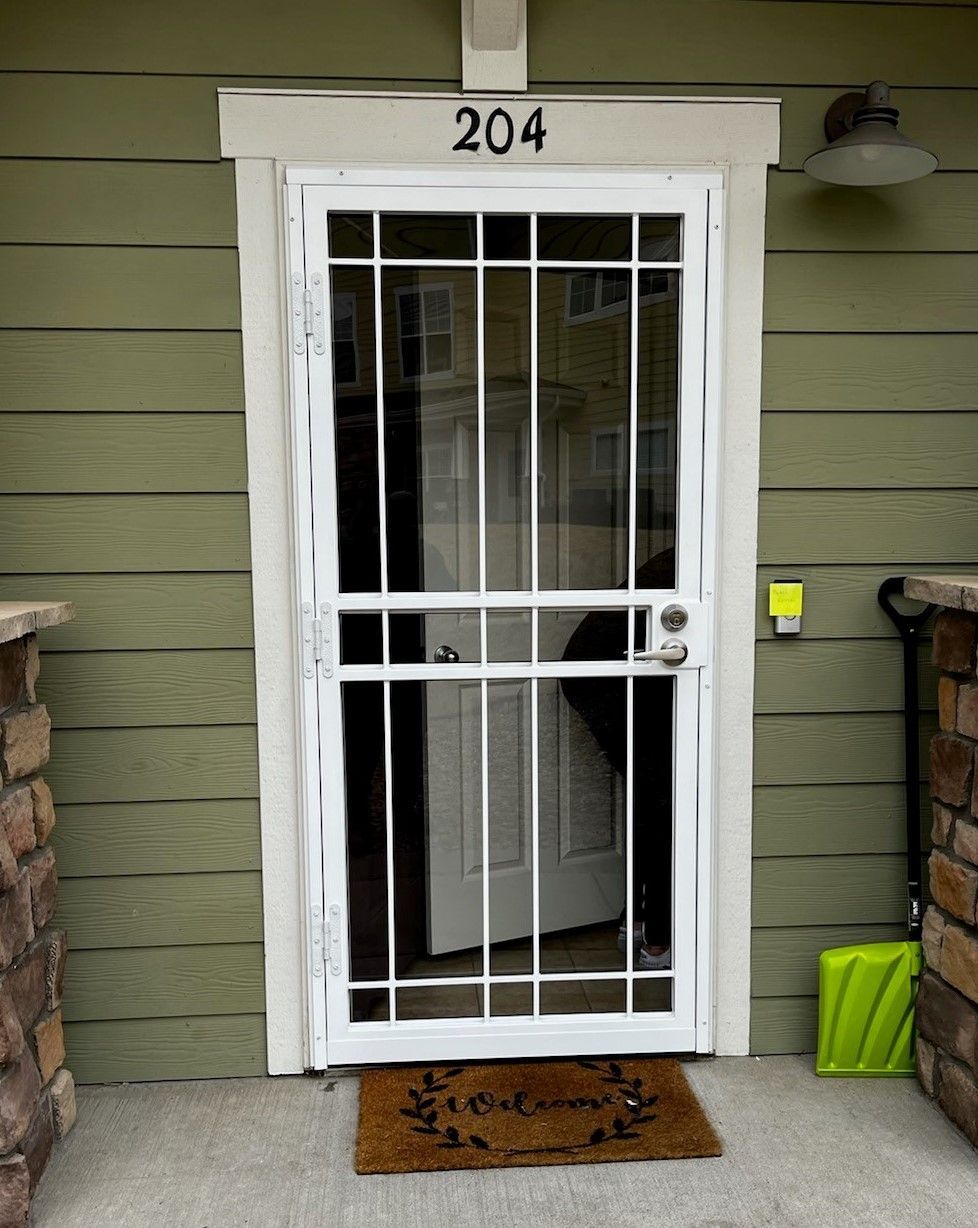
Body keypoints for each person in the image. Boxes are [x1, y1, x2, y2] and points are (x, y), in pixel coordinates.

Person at [560, 547, 674, 969]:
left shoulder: (673, 561)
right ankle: (657, 940)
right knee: (664, 806)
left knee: (652, 802)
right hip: (614, 679)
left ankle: (639, 922)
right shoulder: (692, 564)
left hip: (612, 672)